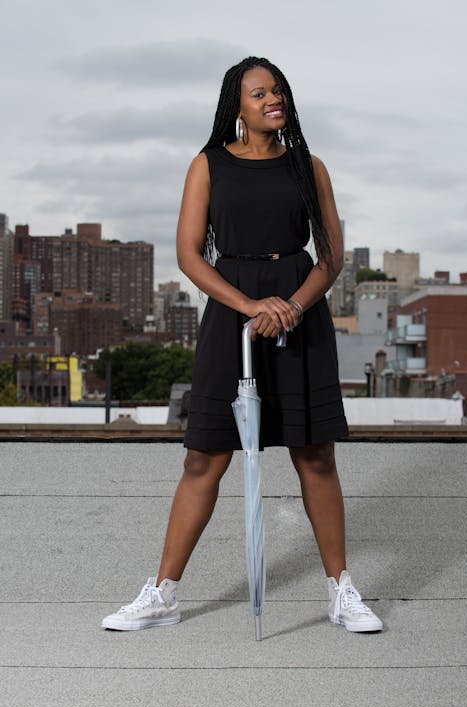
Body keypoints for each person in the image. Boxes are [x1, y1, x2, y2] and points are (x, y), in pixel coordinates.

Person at [102, 56, 382, 634]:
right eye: (259, 94)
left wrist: (293, 307)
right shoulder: (208, 165)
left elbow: (331, 255)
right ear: (237, 106)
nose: (272, 100)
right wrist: (252, 306)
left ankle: (342, 592)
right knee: (205, 456)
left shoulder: (310, 166)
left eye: (277, 91)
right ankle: (163, 595)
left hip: (300, 309)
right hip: (233, 312)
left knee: (315, 454)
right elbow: (187, 254)